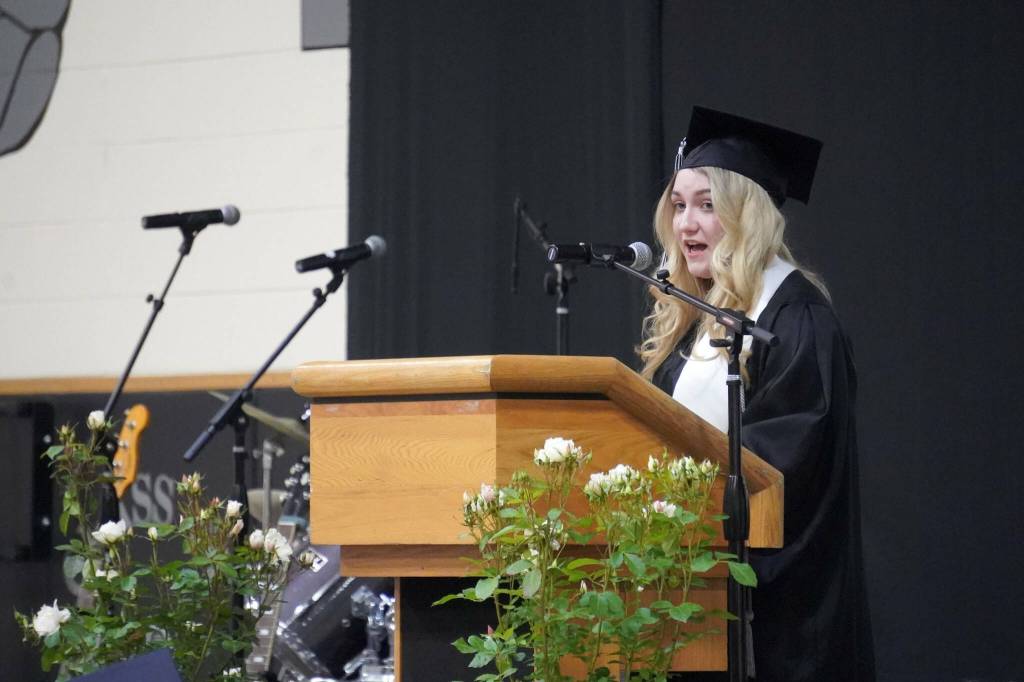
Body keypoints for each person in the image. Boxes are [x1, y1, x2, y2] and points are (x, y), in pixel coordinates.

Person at [640, 107, 875, 682]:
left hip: (785, 619)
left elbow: (780, 471)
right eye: (678, 206)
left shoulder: (795, 321)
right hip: (696, 596)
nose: (686, 225)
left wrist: (676, 509)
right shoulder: (699, 320)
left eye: (706, 205)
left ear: (748, 215)